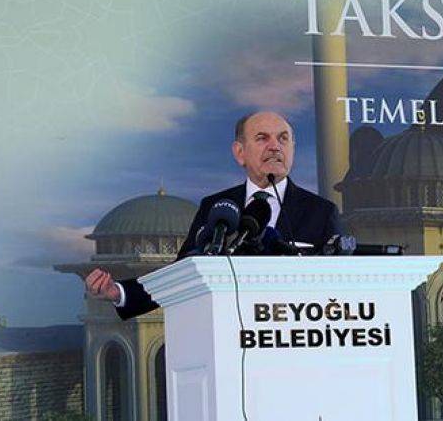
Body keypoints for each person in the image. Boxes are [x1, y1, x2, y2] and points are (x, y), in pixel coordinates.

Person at [84, 111, 342, 319]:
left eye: (283, 139)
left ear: (293, 149)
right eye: (263, 138)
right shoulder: (215, 207)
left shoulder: (321, 211)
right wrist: (119, 291)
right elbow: (183, 273)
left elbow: (339, 288)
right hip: (228, 336)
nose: (275, 147)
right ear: (240, 152)